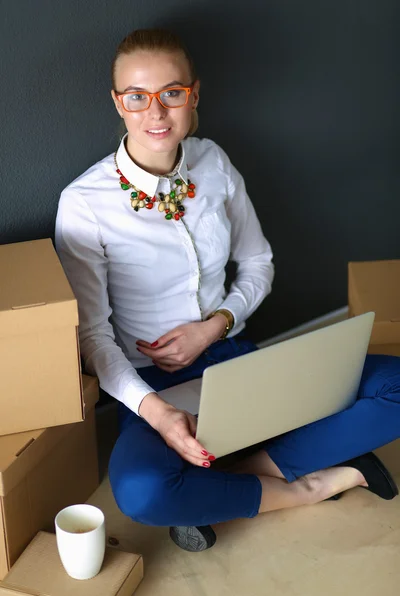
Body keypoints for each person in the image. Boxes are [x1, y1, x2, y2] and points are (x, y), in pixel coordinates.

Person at [55, 28, 400, 553]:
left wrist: (215, 324)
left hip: (236, 360)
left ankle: (228, 478)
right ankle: (310, 484)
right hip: (154, 389)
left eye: (172, 93)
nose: (157, 113)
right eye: (137, 97)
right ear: (118, 103)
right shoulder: (83, 204)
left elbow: (258, 263)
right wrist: (158, 415)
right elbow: (94, 335)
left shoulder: (212, 162)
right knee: (143, 492)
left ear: (193, 95)